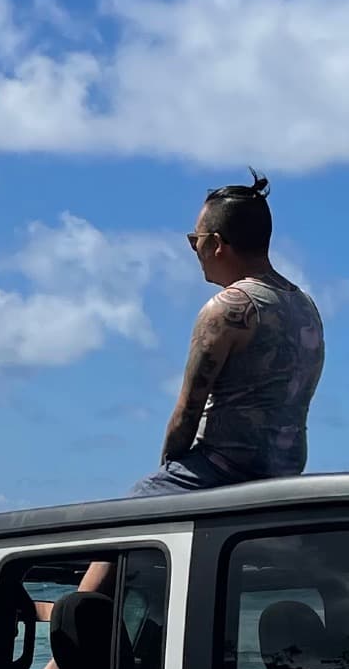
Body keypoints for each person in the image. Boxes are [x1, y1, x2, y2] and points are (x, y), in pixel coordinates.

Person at [134, 172, 324, 496]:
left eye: (196, 240)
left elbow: (186, 414)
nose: (194, 249)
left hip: (225, 470)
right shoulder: (306, 305)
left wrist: (166, 474)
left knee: (138, 501)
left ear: (218, 244)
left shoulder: (227, 309)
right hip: (286, 471)